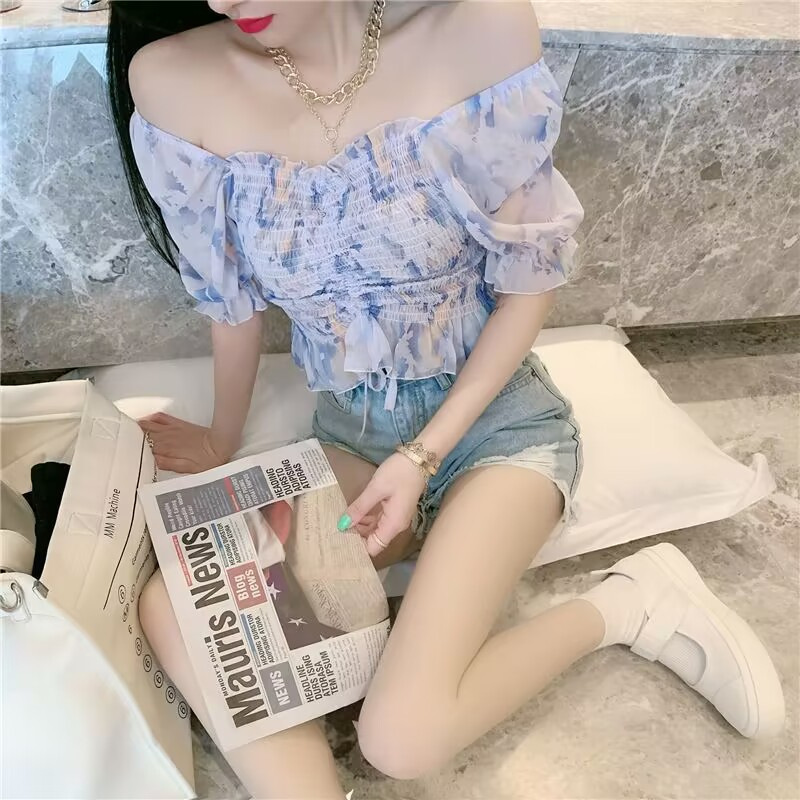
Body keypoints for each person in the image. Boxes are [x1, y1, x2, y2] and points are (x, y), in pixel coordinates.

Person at [107, 1, 784, 796]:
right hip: (353, 438)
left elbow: (528, 287)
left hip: (494, 432)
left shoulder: (478, 28)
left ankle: (632, 603)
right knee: (178, 609)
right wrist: (222, 438)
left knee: (400, 739)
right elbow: (231, 307)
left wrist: (422, 456)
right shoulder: (175, 79)